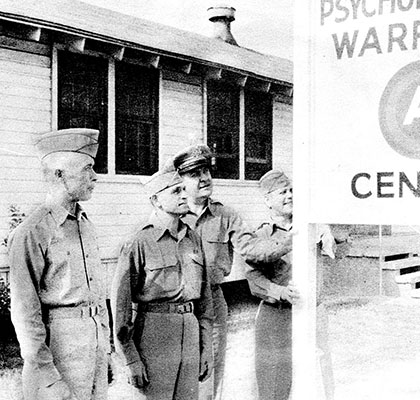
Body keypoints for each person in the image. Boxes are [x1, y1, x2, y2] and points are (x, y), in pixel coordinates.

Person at [171, 145, 292, 400]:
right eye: (195, 174)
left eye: (206, 171)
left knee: (210, 380)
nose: (204, 178)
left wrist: (292, 239)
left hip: (213, 305)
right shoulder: (171, 216)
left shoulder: (226, 216)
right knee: (174, 379)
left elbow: (253, 250)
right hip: (175, 308)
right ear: (180, 181)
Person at [8, 128, 110, 400]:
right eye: (87, 168)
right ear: (59, 175)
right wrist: (47, 377)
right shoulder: (32, 232)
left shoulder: (85, 225)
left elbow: (97, 296)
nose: (95, 176)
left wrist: (106, 352)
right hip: (59, 351)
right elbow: (25, 314)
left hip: (94, 346)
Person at [111, 165, 213, 400]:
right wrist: (130, 359)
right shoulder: (139, 241)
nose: (184, 196)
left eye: (184, 190)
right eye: (176, 192)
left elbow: (205, 302)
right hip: (155, 335)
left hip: (190, 332)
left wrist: (206, 348)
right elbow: (121, 308)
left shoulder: (192, 238)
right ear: (156, 200)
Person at [244, 169, 298, 400]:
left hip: (309, 311)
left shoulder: (309, 225)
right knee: (273, 381)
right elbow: (254, 279)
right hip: (276, 314)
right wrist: (281, 292)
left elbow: (340, 252)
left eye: (292, 190)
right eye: (282, 192)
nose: (289, 196)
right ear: (267, 200)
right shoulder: (261, 234)